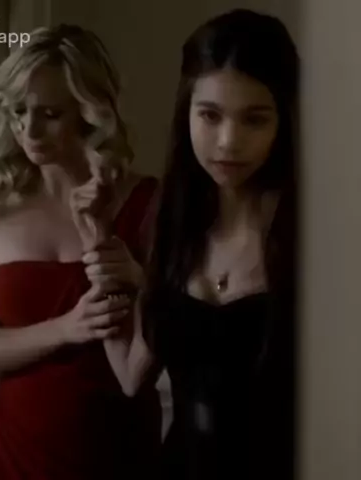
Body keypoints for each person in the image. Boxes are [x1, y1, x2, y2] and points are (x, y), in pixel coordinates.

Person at [85, 9, 299, 479]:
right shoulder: (175, 227)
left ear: (284, 121)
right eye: (210, 115)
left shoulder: (312, 236)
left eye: (254, 119)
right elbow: (130, 374)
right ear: (186, 113)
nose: (228, 141)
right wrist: (98, 231)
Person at [0, 24, 161, 480]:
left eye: (50, 114)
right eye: (18, 111)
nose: (29, 130)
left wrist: (137, 278)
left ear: (89, 113)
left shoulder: (148, 203)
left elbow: (166, 329)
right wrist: (65, 328)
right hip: (8, 447)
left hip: (114, 447)